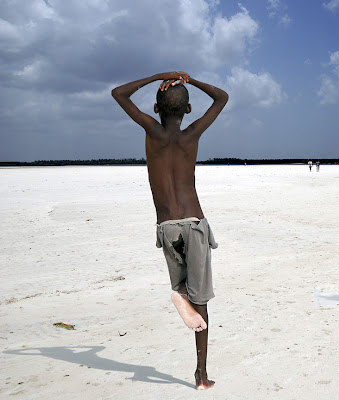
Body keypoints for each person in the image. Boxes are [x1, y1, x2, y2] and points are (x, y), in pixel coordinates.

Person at [112, 71, 228, 389]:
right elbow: (222, 98)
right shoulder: (192, 133)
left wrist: (159, 76)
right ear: (188, 110)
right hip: (194, 222)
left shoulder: (151, 130)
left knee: (181, 284)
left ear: (155, 108)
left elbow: (119, 92)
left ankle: (179, 292)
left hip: (166, 227)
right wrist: (189, 82)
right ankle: (201, 375)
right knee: (201, 298)